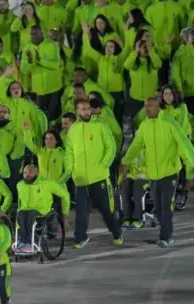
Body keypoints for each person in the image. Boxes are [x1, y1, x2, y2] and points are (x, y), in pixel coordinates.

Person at [120, 97, 194, 248]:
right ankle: (168, 232)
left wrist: (190, 173)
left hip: (170, 173)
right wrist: (126, 162)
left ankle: (165, 237)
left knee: (167, 207)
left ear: (158, 107)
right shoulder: (144, 125)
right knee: (159, 210)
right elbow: (135, 146)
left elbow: (184, 145)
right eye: (145, 106)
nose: (147, 109)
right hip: (152, 175)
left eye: (150, 106)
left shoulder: (169, 123)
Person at [64, 99, 123, 248]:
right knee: (81, 211)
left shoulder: (100, 125)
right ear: (77, 111)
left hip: (99, 176)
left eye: (88, 109)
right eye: (83, 109)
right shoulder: (73, 130)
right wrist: (70, 170)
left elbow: (111, 147)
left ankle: (116, 232)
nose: (86, 112)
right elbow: (69, 152)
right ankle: (81, 237)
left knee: (105, 209)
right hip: (80, 178)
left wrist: (104, 165)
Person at [15, 164, 70, 252]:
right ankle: (23, 242)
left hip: (43, 212)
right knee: (20, 214)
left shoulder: (47, 183)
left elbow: (65, 195)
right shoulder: (20, 185)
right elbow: (19, 202)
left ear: (37, 173)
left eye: (31, 172)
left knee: (31, 215)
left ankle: (31, 242)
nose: (27, 175)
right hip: (25, 211)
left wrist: (65, 214)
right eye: (25, 172)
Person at [21, 25, 63, 122]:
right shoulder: (27, 48)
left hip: (54, 88)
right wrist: (30, 62)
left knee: (53, 117)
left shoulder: (52, 45)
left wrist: (40, 61)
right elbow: (24, 69)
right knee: (42, 118)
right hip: (39, 90)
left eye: (35, 33)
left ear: (41, 34)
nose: (33, 36)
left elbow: (56, 65)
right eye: (31, 34)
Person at [123, 31, 162, 120]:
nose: (145, 49)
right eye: (143, 47)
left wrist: (151, 50)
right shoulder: (133, 60)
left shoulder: (153, 58)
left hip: (151, 98)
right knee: (135, 122)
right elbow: (126, 65)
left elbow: (158, 64)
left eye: (146, 47)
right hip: (135, 98)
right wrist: (135, 51)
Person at [119, 153, 148, 229]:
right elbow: (124, 165)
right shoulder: (132, 152)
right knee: (125, 186)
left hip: (146, 177)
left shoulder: (150, 149)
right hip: (133, 176)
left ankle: (137, 218)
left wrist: (142, 173)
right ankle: (127, 218)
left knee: (137, 186)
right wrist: (120, 181)